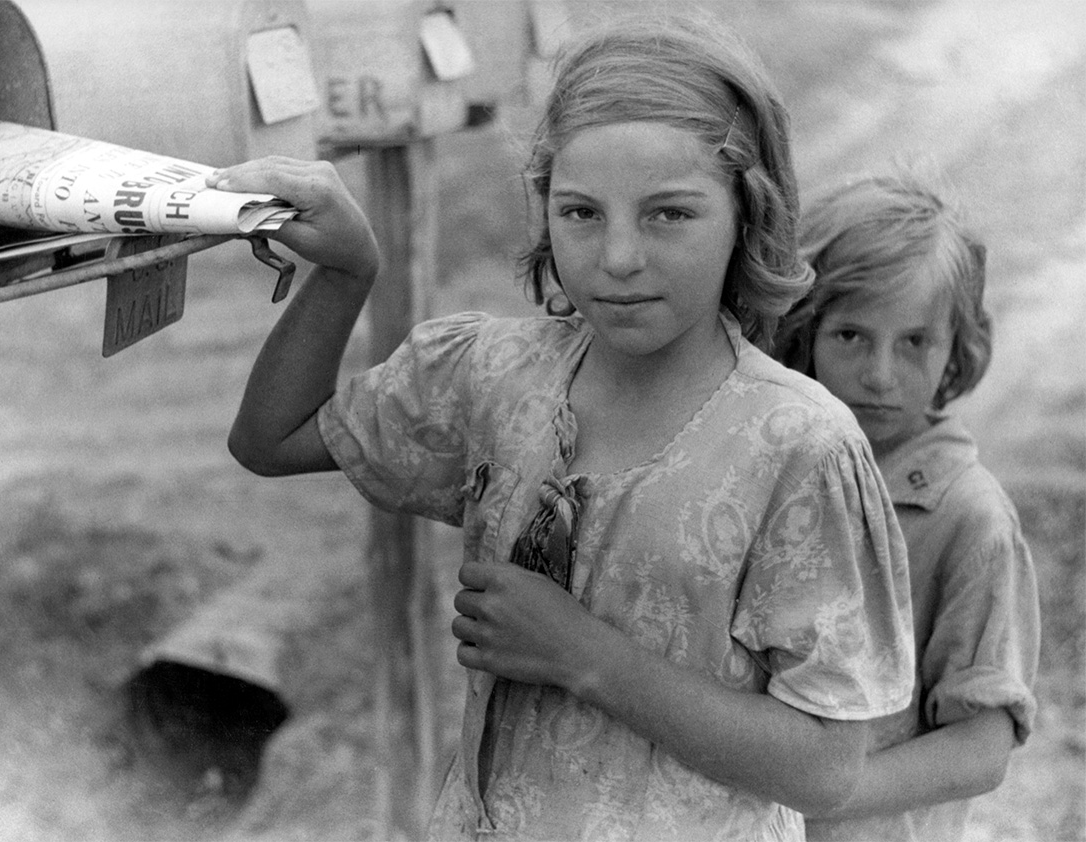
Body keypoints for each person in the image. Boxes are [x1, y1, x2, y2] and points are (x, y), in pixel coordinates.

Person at [211, 13, 916, 841]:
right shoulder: (494, 373)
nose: (618, 256)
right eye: (581, 212)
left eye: (669, 215)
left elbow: (827, 770)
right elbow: (271, 438)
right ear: (543, 208)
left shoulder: (799, 447)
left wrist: (584, 655)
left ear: (747, 213)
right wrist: (346, 269)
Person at [774, 167, 1040, 842]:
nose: (880, 375)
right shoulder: (770, 465)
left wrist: (827, 791)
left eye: (915, 342)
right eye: (851, 336)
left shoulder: (970, 519)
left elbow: (981, 748)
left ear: (956, 353)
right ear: (806, 332)